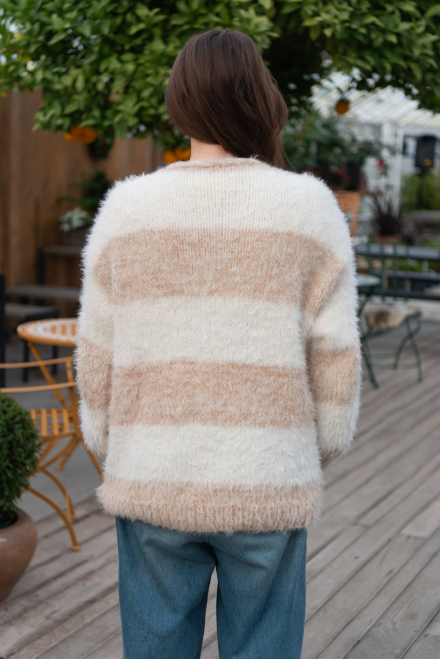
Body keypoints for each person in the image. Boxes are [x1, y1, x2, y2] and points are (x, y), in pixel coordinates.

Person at [76, 28, 361, 659]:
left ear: (180, 103)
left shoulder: (125, 209)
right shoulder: (310, 207)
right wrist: (307, 449)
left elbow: (95, 354)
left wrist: (112, 441)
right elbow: (336, 356)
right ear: (262, 96)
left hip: (151, 473)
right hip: (268, 478)